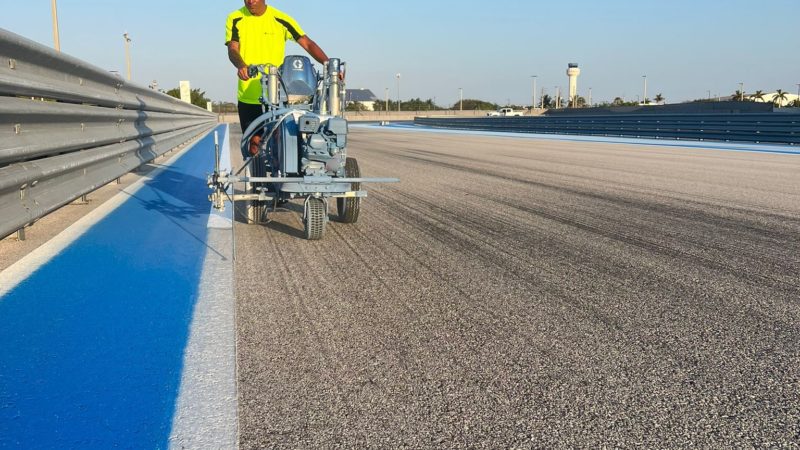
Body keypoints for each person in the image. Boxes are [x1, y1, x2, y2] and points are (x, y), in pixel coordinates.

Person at [225, 0, 331, 154]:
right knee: (255, 143)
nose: (250, 1)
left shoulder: (280, 18)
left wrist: (328, 64)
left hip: (277, 96)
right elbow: (233, 48)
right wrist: (241, 65)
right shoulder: (235, 18)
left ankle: (279, 176)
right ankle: (258, 176)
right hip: (249, 93)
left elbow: (307, 43)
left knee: (280, 141)